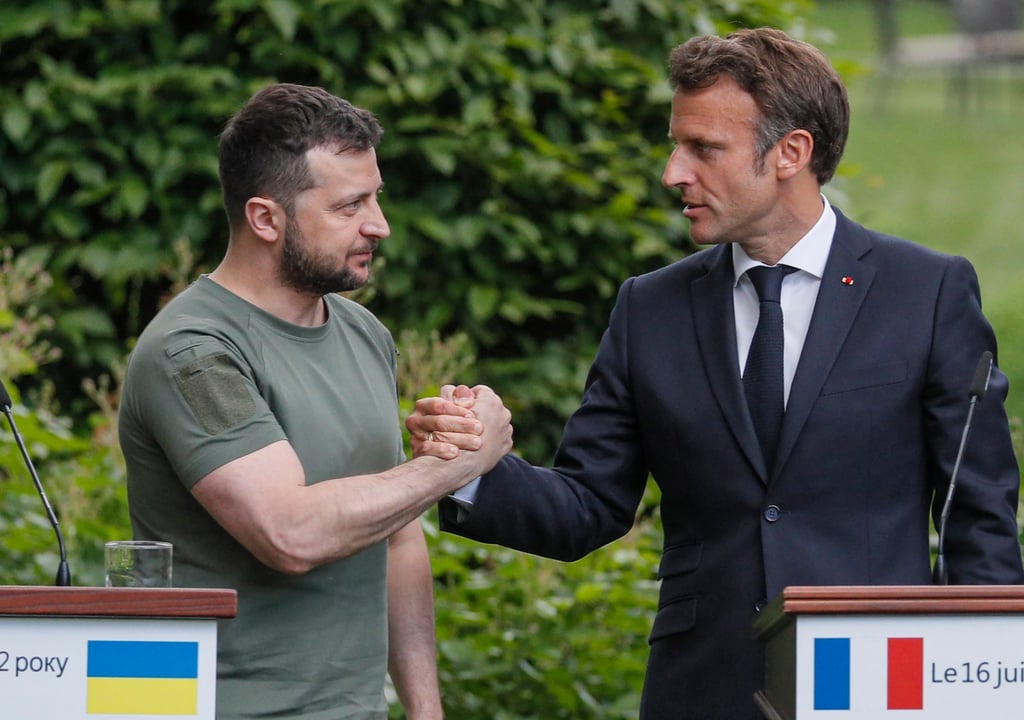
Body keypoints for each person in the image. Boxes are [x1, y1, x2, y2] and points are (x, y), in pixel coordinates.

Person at [406, 28, 1024, 719]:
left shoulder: (927, 292)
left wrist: (984, 690)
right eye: (677, 143)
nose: (673, 171)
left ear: (792, 152)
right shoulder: (650, 308)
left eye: (703, 148)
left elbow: (980, 518)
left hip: (881, 687)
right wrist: (467, 466)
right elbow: (589, 505)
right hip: (702, 690)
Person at [118, 83, 512, 720]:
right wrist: (461, 461)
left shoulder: (363, 334)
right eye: (349, 205)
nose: (378, 225)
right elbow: (288, 534)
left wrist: (425, 710)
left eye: (376, 197)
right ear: (265, 218)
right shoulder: (193, 350)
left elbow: (398, 537)